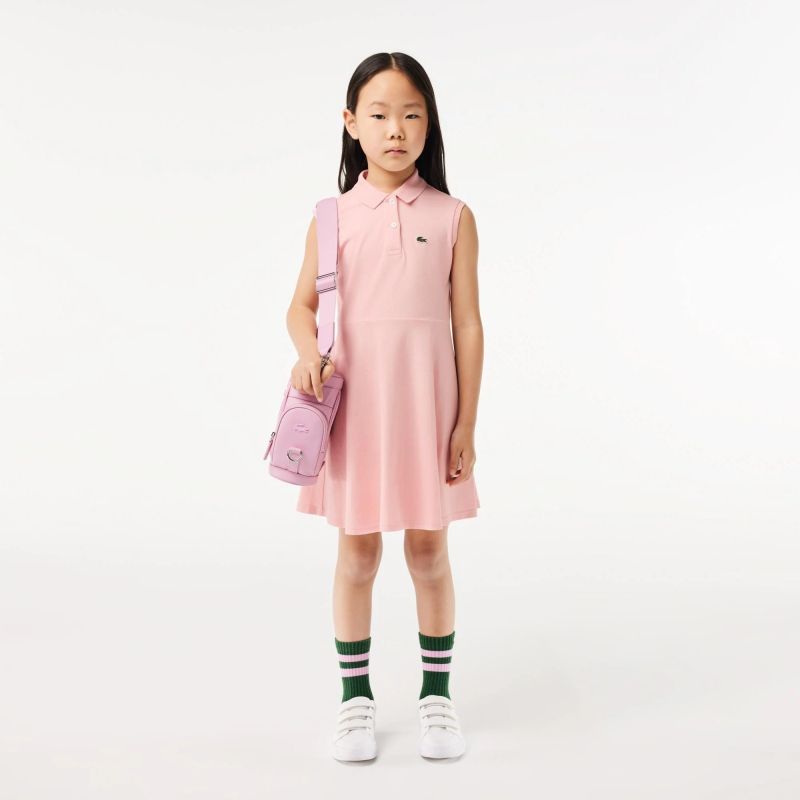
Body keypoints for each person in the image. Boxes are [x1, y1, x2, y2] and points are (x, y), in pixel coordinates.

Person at [284, 52, 483, 762]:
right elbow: (301, 307)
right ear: (351, 123)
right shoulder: (330, 217)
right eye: (379, 114)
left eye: (411, 115)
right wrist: (306, 352)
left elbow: (468, 325)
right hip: (357, 411)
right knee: (358, 551)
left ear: (429, 125)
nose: (395, 129)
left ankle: (437, 697)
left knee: (429, 550)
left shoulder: (453, 216)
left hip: (427, 409)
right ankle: (354, 701)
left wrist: (465, 423)